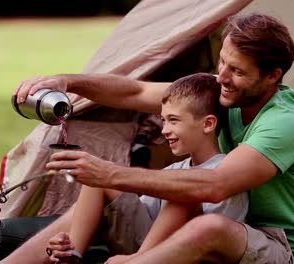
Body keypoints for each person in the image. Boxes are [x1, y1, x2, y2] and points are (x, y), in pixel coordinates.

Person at [0, 13, 294, 264]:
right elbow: (136, 90)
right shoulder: (226, 93)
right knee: (101, 194)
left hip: (286, 251)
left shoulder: (286, 122)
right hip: (211, 223)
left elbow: (213, 186)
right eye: (222, 63)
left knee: (207, 224)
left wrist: (110, 172)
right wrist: (67, 82)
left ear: (273, 76)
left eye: (238, 72)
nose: (223, 78)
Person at [46, 73, 248, 264]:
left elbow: (213, 236)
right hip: (151, 245)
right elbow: (137, 214)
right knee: (100, 179)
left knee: (184, 193)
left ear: (208, 124)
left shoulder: (223, 172)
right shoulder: (174, 171)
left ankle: (139, 260)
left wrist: (138, 258)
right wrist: (66, 239)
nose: (165, 130)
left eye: (174, 120)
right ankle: (70, 254)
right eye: (163, 120)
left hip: (189, 254)